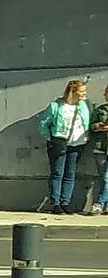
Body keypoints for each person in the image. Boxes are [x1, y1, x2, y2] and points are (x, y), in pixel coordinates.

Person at [39, 79, 93, 214]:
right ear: (72, 92)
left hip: (78, 143)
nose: (84, 94)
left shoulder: (85, 105)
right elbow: (43, 124)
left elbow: (90, 121)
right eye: (81, 91)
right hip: (59, 143)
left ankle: (66, 202)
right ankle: (56, 203)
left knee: (70, 174)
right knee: (57, 173)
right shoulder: (56, 106)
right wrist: (51, 138)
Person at [89, 84, 108, 216]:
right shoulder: (100, 110)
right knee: (103, 177)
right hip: (100, 147)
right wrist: (97, 126)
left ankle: (99, 203)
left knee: (107, 177)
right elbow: (90, 126)